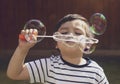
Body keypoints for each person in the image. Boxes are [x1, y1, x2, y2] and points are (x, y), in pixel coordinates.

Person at [7, 14, 109, 84]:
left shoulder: (96, 71)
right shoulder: (49, 66)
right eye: (64, 33)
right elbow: (14, 74)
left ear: (88, 44)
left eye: (77, 33)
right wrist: (22, 49)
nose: (70, 35)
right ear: (57, 43)